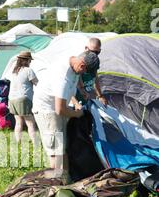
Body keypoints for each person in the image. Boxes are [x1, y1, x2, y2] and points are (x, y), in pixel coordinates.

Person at [32, 51, 100, 181]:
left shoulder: (73, 65)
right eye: (84, 71)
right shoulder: (62, 77)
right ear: (82, 65)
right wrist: (77, 113)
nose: (83, 75)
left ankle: (67, 181)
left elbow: (72, 85)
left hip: (58, 109)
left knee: (63, 149)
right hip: (48, 112)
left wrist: (81, 90)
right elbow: (60, 109)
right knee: (56, 153)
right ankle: (55, 186)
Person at [7, 51, 38, 145]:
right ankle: (36, 143)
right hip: (23, 99)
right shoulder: (28, 70)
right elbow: (37, 83)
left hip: (12, 99)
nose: (30, 62)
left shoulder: (14, 71)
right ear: (27, 60)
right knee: (30, 123)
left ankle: (18, 142)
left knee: (18, 122)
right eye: (30, 60)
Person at [75, 38, 108, 107]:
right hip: (76, 101)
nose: (94, 54)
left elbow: (95, 79)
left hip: (86, 99)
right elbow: (76, 85)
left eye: (97, 52)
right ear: (86, 48)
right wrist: (76, 103)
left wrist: (100, 96)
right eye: (92, 51)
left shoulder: (94, 60)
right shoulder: (79, 62)